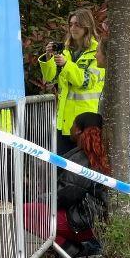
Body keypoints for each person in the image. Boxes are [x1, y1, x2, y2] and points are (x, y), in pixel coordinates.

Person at [24, 112, 108, 258]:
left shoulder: (82, 158)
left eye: (72, 124)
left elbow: (64, 195)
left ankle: (68, 247)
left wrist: (39, 199)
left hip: (83, 222)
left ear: (78, 130)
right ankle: (73, 245)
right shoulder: (96, 153)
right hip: (90, 218)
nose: (69, 128)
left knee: (24, 212)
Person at [39, 8, 105, 155]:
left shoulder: (97, 51)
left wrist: (66, 64)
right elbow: (50, 77)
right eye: (71, 24)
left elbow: (87, 81)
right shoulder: (66, 50)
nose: (73, 28)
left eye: (78, 24)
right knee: (62, 169)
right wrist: (49, 58)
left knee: (80, 171)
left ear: (87, 26)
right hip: (64, 122)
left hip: (85, 122)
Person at [96, 40, 130, 165]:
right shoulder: (113, 80)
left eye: (98, 51)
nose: (95, 55)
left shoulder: (123, 83)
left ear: (108, 56)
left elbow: (119, 118)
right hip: (115, 143)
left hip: (122, 145)